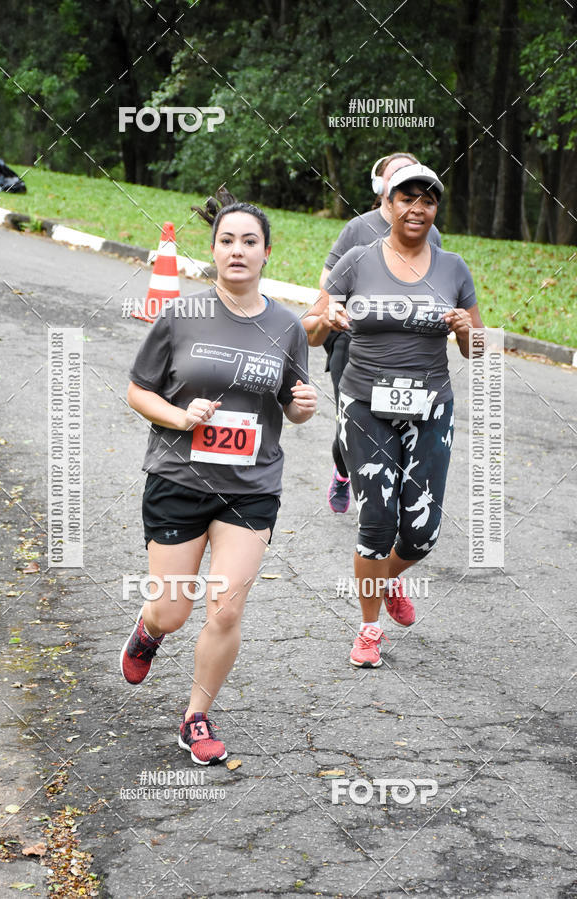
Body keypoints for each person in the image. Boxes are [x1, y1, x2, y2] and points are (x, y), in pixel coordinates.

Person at [120, 201, 317, 763]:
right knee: (174, 610)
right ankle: (150, 630)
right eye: (227, 240)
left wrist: (302, 407)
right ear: (213, 250)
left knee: (226, 608)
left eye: (249, 241)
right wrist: (181, 417)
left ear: (266, 253)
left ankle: (195, 718)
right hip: (179, 477)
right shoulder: (180, 317)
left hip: (252, 484)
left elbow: (293, 406)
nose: (237, 250)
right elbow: (138, 390)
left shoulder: (285, 325)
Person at [304, 163, 484, 668]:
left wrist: (462, 329)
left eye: (427, 201)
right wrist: (329, 319)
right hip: (365, 403)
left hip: (431, 406)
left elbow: (478, 346)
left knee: (423, 533)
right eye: (407, 198)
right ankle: (368, 629)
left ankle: (387, 578)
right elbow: (311, 326)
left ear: (434, 211)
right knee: (377, 522)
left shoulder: (453, 267)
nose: (416, 208)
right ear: (389, 201)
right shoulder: (359, 259)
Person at [315, 152, 442, 514]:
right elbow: (328, 279)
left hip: (408, 349)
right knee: (351, 423)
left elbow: (438, 284)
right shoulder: (360, 227)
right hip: (352, 342)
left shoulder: (432, 234)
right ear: (383, 188)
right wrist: (337, 305)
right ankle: (343, 471)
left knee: (404, 427)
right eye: (398, 177)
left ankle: (388, 505)